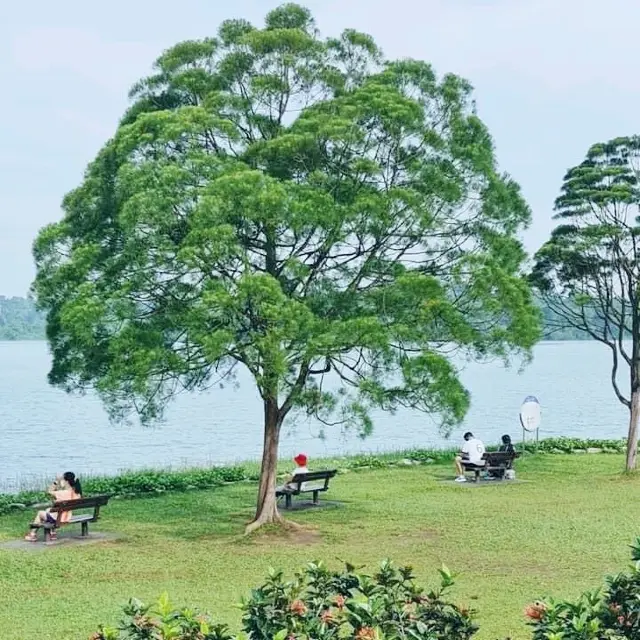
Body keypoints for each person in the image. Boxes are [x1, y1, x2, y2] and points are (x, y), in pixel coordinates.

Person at [24, 471, 82, 541]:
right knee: (48, 510)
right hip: (67, 517)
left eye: (62, 479)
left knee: (40, 513)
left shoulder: (62, 493)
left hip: (59, 519)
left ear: (66, 481)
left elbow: (49, 491)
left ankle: (32, 535)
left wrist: (56, 481)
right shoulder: (76, 493)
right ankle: (52, 533)